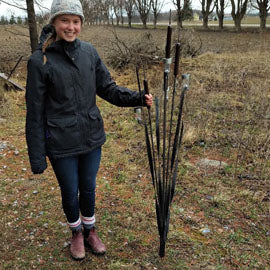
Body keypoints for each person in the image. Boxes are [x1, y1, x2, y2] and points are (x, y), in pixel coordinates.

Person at [25, 0, 153, 261]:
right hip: (60, 141)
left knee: (88, 187)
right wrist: (37, 156)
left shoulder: (90, 53)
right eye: (65, 20)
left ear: (81, 24)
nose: (71, 27)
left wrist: (137, 98)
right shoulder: (40, 61)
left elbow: (108, 88)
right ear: (54, 23)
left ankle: (91, 229)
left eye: (76, 21)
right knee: (70, 191)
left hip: (91, 137)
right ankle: (76, 233)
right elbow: (35, 113)